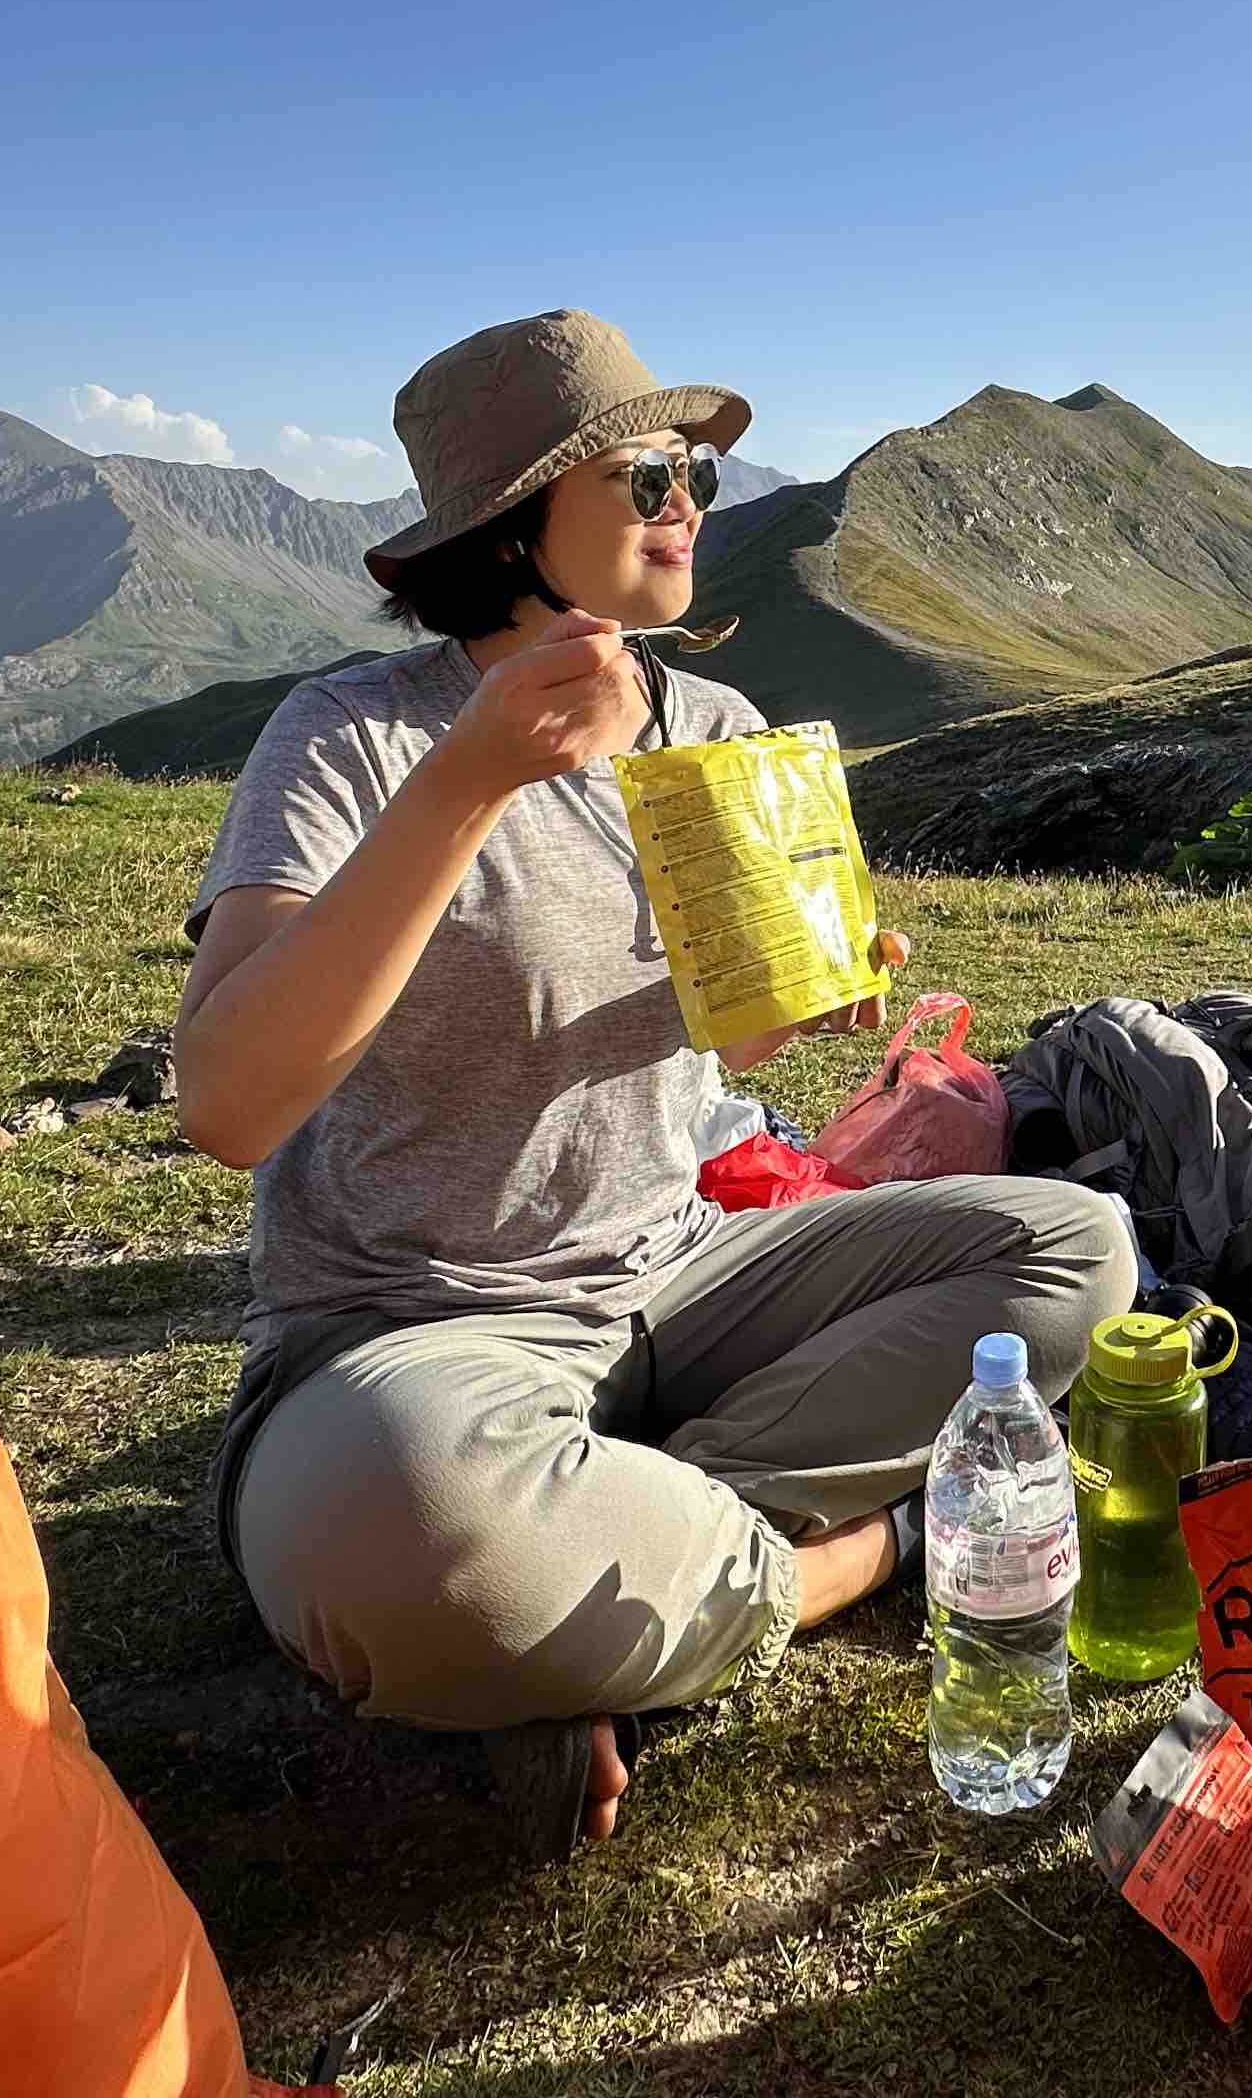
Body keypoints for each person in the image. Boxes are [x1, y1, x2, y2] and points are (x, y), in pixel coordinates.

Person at [175, 310, 1135, 1857]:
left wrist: (798, 1003)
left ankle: (613, 1590)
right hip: (417, 1325)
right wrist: (469, 782)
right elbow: (227, 1102)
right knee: (405, 1526)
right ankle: (843, 1561)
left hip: (683, 1265)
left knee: (1073, 1251)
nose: (689, 498)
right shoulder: (355, 740)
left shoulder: (721, 733)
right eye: (643, 477)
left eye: (693, 470)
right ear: (509, 527)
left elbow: (712, 1045)